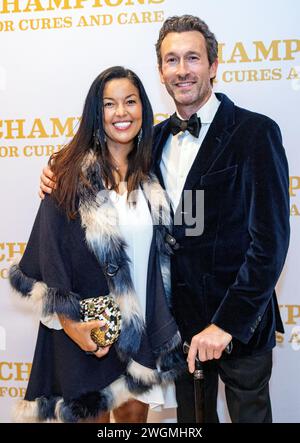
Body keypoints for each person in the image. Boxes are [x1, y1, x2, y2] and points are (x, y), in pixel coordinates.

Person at [39, 16, 290, 423]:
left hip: (239, 326)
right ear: (161, 72)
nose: (182, 69)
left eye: (193, 58)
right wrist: (56, 173)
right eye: (171, 60)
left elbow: (270, 243)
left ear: (213, 65)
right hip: (178, 330)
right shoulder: (148, 142)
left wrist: (226, 325)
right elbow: (101, 167)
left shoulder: (255, 132)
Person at [9, 66, 184, 423]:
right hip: (90, 338)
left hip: (143, 336)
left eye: (130, 102)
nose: (121, 112)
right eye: (109, 104)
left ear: (143, 109)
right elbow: (49, 257)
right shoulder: (69, 177)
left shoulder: (155, 172)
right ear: (96, 113)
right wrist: (70, 323)